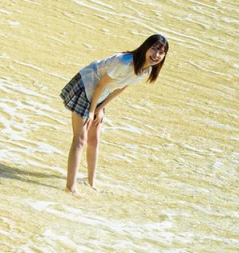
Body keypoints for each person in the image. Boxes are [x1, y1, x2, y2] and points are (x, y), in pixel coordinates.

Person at [60, 33, 169, 193]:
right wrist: (91, 111)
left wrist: (100, 109)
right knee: (80, 139)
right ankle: (71, 187)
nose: (156, 55)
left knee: (94, 139)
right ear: (146, 47)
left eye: (161, 52)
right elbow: (101, 83)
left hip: (100, 94)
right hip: (86, 85)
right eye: (154, 49)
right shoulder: (125, 62)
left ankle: (91, 182)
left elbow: (121, 87)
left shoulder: (146, 70)